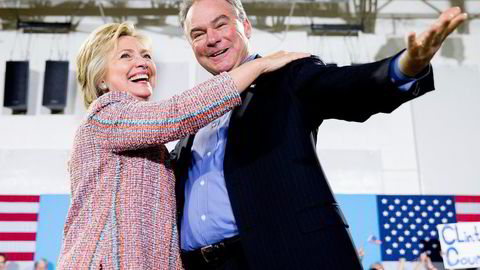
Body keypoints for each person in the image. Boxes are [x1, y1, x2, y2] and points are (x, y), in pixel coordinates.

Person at [172, 0, 467, 269]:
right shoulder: (192, 117)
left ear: (245, 26)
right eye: (198, 34)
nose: (211, 38)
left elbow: (345, 87)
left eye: (221, 23)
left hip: (286, 256)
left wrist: (403, 68)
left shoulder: (286, 75)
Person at [56, 22, 308, 269]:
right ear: (100, 78)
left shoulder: (140, 136)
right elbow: (177, 113)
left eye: (146, 55)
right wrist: (259, 66)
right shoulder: (106, 114)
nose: (142, 62)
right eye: (125, 56)